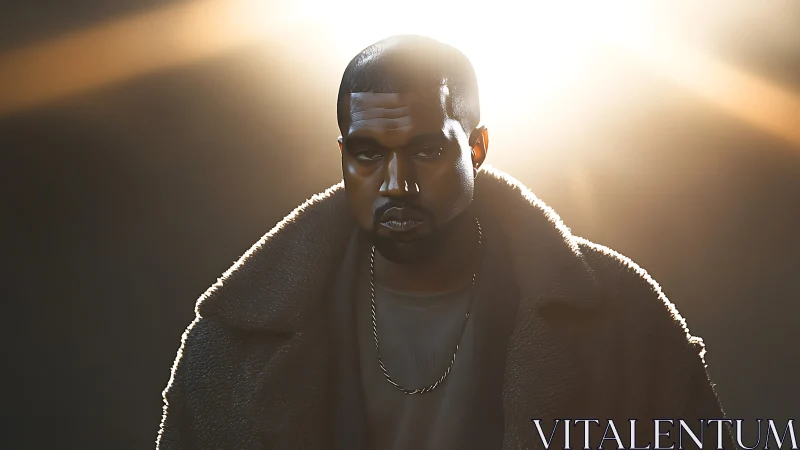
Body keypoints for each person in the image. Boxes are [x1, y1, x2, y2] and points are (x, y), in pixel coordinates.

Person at [157, 35, 732, 450]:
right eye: (367, 154)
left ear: (477, 149)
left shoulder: (621, 319)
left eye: (427, 151)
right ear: (343, 155)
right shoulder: (237, 340)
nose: (396, 184)